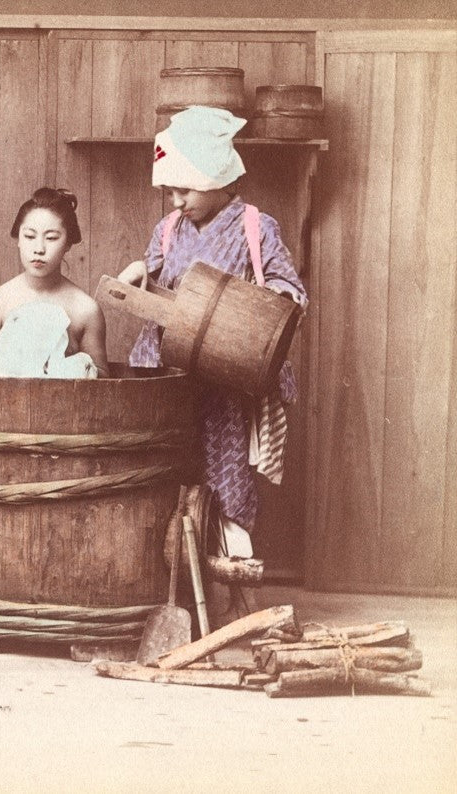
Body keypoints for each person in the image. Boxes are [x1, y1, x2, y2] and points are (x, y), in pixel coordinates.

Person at [115, 106, 308, 560]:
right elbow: (155, 276)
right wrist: (138, 272)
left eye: (185, 190)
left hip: (226, 376)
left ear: (218, 181)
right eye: (171, 191)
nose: (176, 201)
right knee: (166, 465)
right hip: (170, 371)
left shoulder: (255, 228)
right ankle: (166, 571)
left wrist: (273, 300)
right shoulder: (167, 230)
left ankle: (227, 571)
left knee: (227, 472)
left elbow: (289, 289)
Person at [0, 188, 107, 378]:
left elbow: (103, 379)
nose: (39, 249)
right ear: (18, 239)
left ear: (68, 244)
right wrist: (13, 351)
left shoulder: (86, 309)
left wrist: (72, 362)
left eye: (51, 238)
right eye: (30, 236)